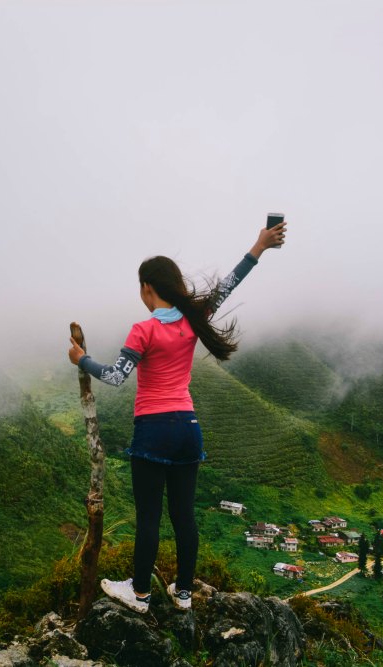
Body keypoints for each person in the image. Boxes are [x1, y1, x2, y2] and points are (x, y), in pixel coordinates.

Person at [66, 221, 287, 613]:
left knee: (149, 517)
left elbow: (116, 377)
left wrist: (81, 358)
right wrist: (259, 246)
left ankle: (139, 594)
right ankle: (183, 592)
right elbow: (229, 283)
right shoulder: (192, 317)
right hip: (189, 428)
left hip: (153, 430)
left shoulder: (143, 330)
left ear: (147, 287)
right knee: (184, 516)